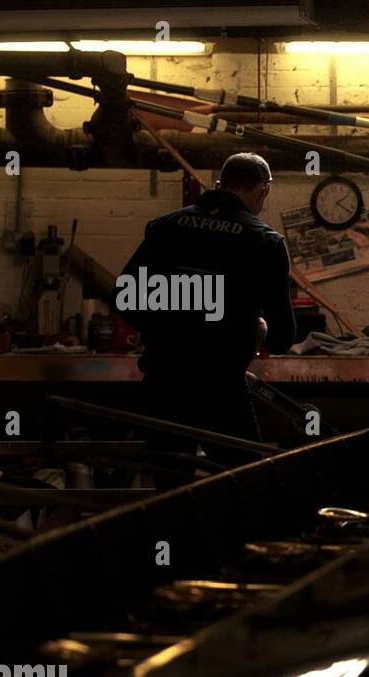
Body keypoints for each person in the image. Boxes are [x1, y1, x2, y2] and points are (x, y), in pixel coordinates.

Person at [114, 152, 295, 476]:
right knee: (245, 484)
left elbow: (124, 299)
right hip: (221, 389)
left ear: (219, 184)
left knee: (169, 493)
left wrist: (167, 327)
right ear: (264, 189)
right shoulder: (265, 242)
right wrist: (260, 331)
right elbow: (283, 337)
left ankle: (172, 528)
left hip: (164, 384)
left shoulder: (165, 228)